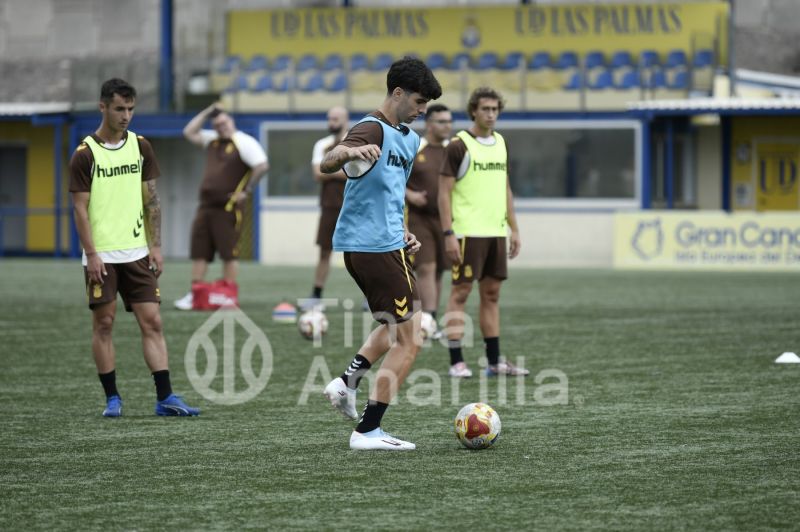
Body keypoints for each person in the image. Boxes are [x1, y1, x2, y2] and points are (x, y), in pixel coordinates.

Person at [321, 57, 441, 451]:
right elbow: (328, 162)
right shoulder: (370, 127)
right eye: (419, 101)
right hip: (370, 247)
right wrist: (349, 154)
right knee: (411, 339)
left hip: (389, 243)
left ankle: (346, 383)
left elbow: (393, 191)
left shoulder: (407, 137)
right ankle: (367, 431)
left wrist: (404, 230)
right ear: (398, 93)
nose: (423, 110)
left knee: (397, 325)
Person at [69, 78, 200, 417]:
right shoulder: (85, 154)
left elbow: (152, 200)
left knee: (153, 321)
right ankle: (112, 398)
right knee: (104, 323)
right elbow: (80, 208)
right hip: (102, 255)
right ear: (103, 108)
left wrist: (156, 246)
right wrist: (93, 254)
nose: (126, 115)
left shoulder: (141, 146)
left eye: (130, 109)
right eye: (119, 109)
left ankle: (165, 397)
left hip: (137, 252)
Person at [438, 86, 529, 378]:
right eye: (485, 109)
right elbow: (443, 194)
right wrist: (448, 233)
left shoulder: (501, 142)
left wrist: (514, 229)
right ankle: (456, 361)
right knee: (460, 293)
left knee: (491, 294)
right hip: (466, 233)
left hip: (494, 232)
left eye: (495, 109)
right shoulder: (458, 145)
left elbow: (505, 189)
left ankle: (494, 362)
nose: (491, 114)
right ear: (473, 111)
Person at [174, 103, 269, 310]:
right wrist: (207, 111)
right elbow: (189, 132)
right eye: (217, 124)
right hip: (205, 206)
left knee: (228, 253)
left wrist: (247, 191)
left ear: (231, 121)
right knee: (200, 251)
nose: (221, 127)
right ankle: (195, 293)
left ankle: (227, 295)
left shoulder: (244, 142)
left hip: (228, 207)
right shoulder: (212, 140)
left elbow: (262, 165)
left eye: (224, 122)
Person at [405, 103, 453, 335]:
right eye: (442, 121)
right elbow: (393, 178)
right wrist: (410, 194)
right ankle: (428, 320)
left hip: (444, 219)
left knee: (440, 270)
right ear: (429, 123)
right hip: (417, 218)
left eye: (449, 121)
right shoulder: (415, 147)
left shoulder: (451, 150)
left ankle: (429, 318)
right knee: (426, 267)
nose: (448, 126)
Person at [302, 106, 349, 310]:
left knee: (362, 253)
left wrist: (329, 168)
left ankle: (370, 297)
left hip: (353, 206)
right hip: (329, 206)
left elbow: (354, 174)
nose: (332, 122)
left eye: (336, 118)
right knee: (324, 251)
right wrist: (341, 169)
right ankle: (316, 295)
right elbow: (317, 174)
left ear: (345, 120)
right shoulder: (322, 145)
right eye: (329, 118)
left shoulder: (354, 142)